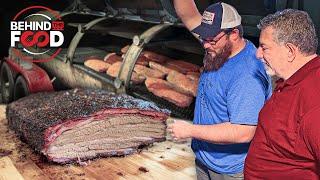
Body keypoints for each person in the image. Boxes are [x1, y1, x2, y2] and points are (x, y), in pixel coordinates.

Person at [168, 1, 272, 179]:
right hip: (205, 158)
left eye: (211, 40)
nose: (205, 45)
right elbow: (189, 15)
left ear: (234, 34)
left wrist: (190, 131)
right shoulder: (218, 49)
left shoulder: (246, 75)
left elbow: (243, 132)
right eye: (204, 38)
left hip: (229, 169)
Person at [244, 9, 320, 179]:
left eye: (264, 47)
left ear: (290, 51)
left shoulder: (314, 101)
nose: (257, 54)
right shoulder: (293, 78)